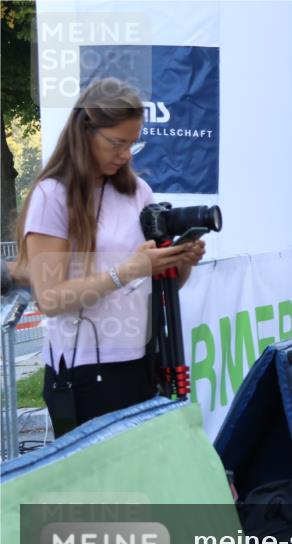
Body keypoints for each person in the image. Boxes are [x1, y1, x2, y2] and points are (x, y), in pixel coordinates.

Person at [14, 78, 205, 436]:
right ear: (85, 132)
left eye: (134, 143)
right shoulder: (52, 196)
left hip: (141, 363)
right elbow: (51, 298)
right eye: (117, 143)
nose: (126, 154)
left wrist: (179, 262)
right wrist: (127, 271)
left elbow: (167, 283)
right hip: (82, 373)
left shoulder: (138, 192)